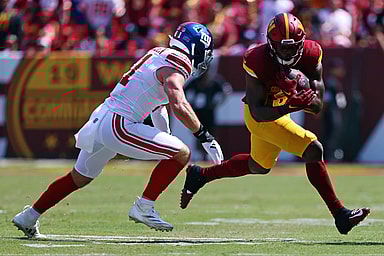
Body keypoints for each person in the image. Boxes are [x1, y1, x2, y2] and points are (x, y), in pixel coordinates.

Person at [12, 21, 224, 238]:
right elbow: (177, 102)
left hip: (103, 117)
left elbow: (157, 104)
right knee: (182, 153)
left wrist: (166, 138)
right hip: (119, 124)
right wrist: (204, 136)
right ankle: (144, 206)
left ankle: (29, 216)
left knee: (80, 177)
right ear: (196, 47)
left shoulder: (159, 53)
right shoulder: (178, 61)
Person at [180, 13, 370, 235]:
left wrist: (297, 95)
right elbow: (258, 112)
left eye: (292, 47)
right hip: (261, 116)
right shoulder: (256, 59)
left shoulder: (311, 53)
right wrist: (290, 105)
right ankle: (340, 215)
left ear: (301, 44)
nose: (287, 52)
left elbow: (318, 106)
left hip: (281, 110)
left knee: (258, 166)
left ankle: (200, 176)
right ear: (271, 44)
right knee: (313, 148)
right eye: (282, 47)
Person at [184, 62, 233, 161]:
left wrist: (216, 103)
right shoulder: (196, 81)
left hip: (209, 111)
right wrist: (190, 103)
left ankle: (212, 155)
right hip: (197, 111)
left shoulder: (215, 80)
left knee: (211, 132)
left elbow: (226, 91)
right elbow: (184, 90)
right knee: (197, 131)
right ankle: (201, 155)